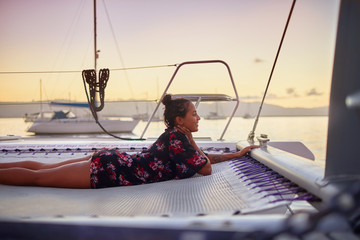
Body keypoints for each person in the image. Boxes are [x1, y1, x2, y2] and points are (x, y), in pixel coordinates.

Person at [0, 94, 258, 189]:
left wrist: (236, 156)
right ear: (180, 119)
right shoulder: (179, 140)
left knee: (43, 171)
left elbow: (202, 160)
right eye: (193, 114)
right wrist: (192, 138)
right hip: (108, 170)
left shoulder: (177, 137)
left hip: (113, 163)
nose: (198, 117)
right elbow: (205, 167)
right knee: (40, 178)